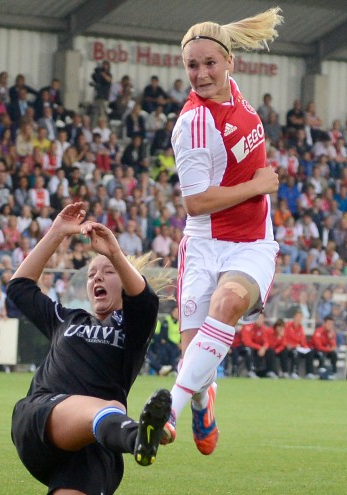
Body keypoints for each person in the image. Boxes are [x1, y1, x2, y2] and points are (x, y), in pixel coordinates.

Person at [164, 8, 283, 455]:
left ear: (230, 63)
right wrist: (257, 185)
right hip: (203, 245)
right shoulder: (192, 125)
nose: (200, 73)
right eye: (192, 66)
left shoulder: (234, 93)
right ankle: (200, 400)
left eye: (209, 63)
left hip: (251, 244)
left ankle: (168, 410)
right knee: (194, 365)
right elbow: (195, 202)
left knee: (228, 302)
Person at [7, 202, 171, 494]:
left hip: (98, 442)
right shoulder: (68, 319)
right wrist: (57, 232)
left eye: (107, 271)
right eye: (92, 273)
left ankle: (136, 435)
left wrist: (114, 254)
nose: (96, 276)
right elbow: (19, 287)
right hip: (41, 417)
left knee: (107, 417)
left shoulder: (134, 327)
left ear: (124, 281)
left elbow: (145, 300)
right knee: (112, 408)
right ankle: (139, 436)